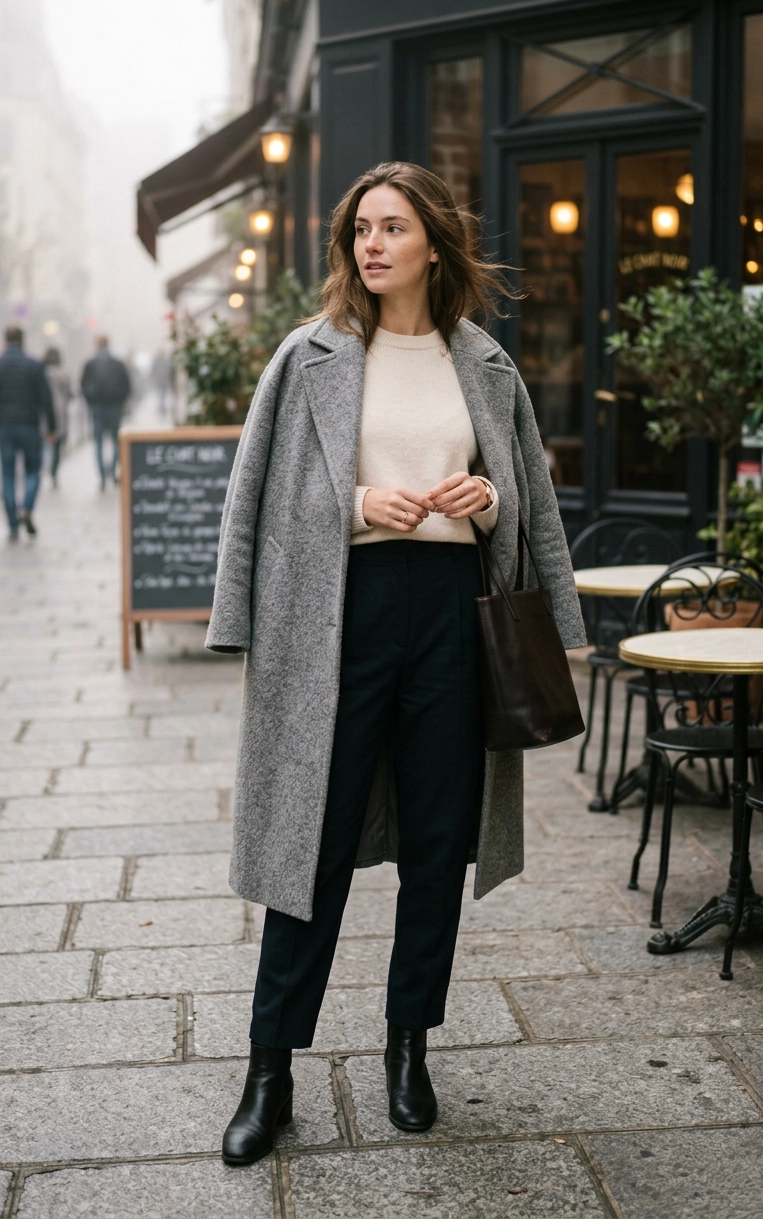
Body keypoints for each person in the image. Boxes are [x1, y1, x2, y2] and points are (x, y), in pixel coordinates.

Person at [205, 162, 586, 1167]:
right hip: (343, 614)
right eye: (361, 228)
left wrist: (487, 503)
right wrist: (354, 505)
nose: (373, 243)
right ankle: (269, 1069)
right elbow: (254, 497)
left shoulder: (484, 362)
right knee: (309, 849)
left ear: (432, 243)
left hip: (454, 619)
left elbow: (527, 503)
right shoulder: (310, 356)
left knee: (436, 841)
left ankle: (407, 1048)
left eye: (393, 227)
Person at [0, 325, 56, 540]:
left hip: (4, 427)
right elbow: (46, 398)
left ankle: (13, 525)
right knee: (33, 470)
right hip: (29, 426)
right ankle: (27, 508)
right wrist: (51, 427)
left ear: (5, 340)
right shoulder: (34, 365)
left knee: (8, 474)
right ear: (23, 340)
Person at [80, 336, 130, 490]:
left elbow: (83, 385)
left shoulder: (90, 364)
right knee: (116, 442)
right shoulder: (117, 364)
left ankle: (102, 476)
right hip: (114, 407)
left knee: (99, 443)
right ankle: (112, 471)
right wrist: (120, 402)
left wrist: (91, 402)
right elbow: (127, 385)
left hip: (97, 408)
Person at [42, 347, 72, 488]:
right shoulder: (63, 373)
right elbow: (70, 393)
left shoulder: (41, 372)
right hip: (60, 412)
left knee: (42, 443)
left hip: (42, 413)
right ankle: (53, 472)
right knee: (57, 445)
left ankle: (42, 467)